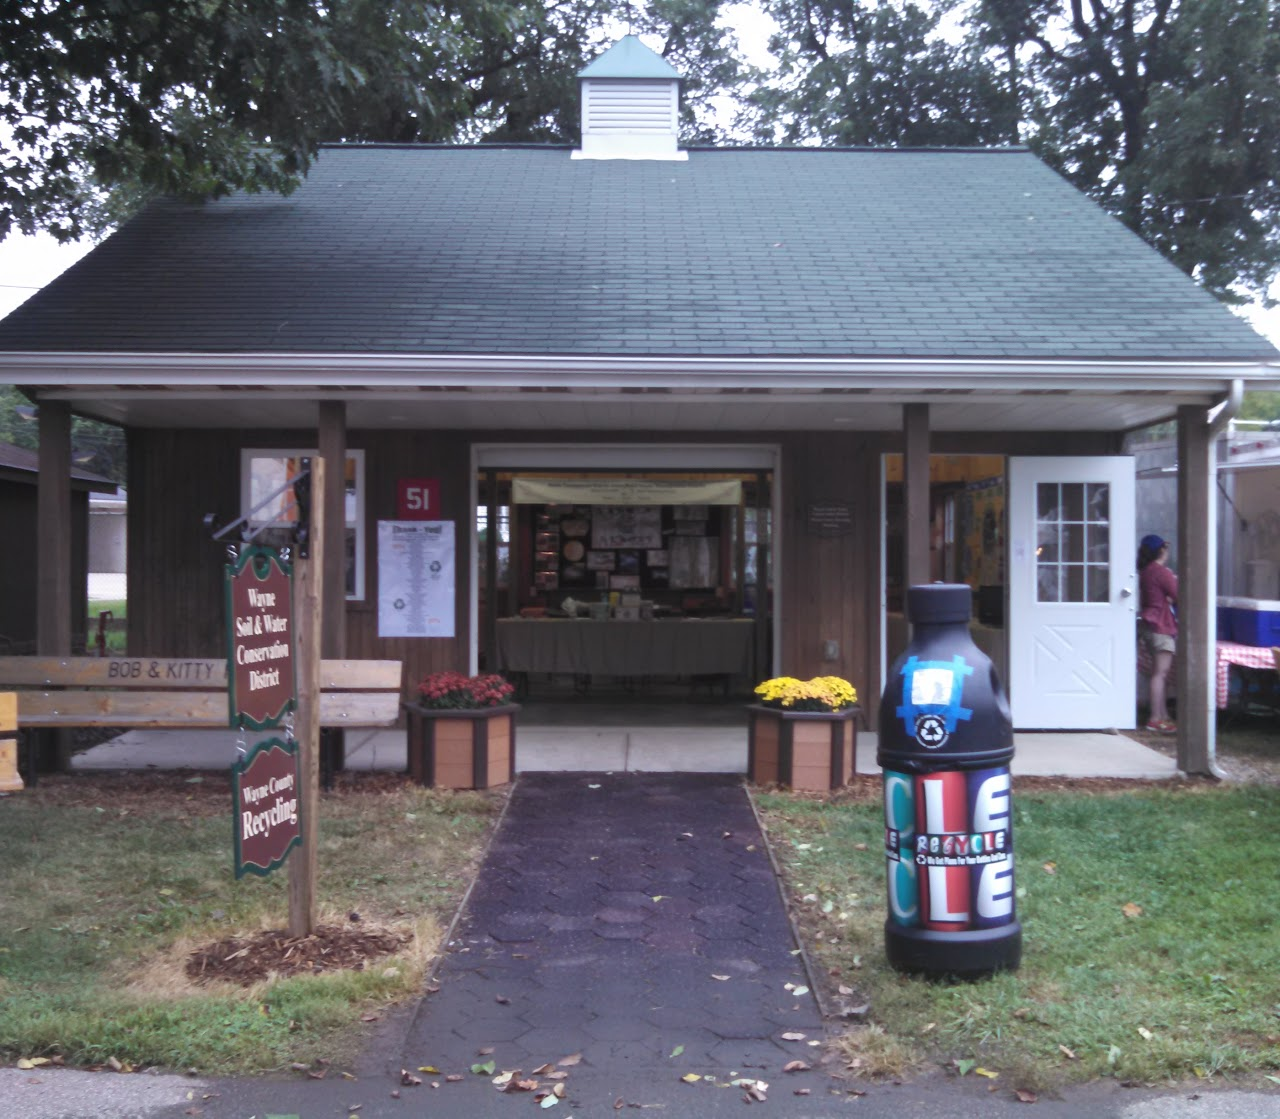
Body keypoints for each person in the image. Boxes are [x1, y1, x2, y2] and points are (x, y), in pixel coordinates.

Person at [1137, 533, 1178, 733]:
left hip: (1148, 624)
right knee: (1161, 674)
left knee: (1157, 673)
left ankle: (1163, 716)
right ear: (1161, 550)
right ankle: (1155, 718)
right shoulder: (1162, 572)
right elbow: (1178, 594)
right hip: (1161, 626)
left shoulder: (1145, 571)